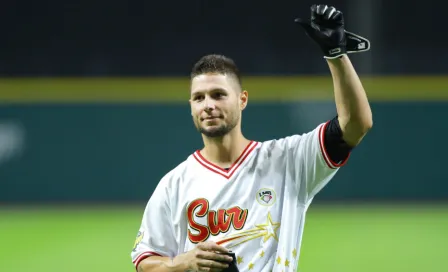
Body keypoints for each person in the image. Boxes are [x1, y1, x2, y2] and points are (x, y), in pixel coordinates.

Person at [131, 4, 372, 272]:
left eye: (218, 94)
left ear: (242, 99)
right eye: (199, 98)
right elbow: (145, 263)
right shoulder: (174, 184)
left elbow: (356, 125)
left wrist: (336, 54)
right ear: (191, 106)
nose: (208, 105)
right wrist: (182, 262)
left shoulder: (287, 161)